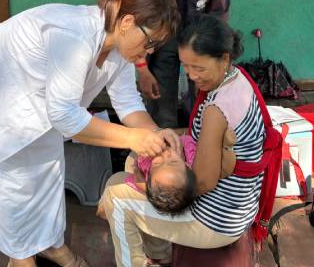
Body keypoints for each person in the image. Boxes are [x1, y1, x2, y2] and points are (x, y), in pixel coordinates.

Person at [0, 0, 182, 267]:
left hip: (39, 97)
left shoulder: (122, 49)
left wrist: (155, 133)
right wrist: (132, 139)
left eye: (154, 47)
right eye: (149, 42)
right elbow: (63, 115)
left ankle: (50, 245)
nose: (147, 53)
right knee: (12, 181)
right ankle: (21, 256)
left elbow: (127, 102)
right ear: (126, 22)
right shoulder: (74, 35)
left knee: (47, 172)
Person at [99, 15, 283, 267]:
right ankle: (161, 254)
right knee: (136, 158)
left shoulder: (217, 111)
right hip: (238, 203)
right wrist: (163, 150)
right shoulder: (237, 77)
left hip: (215, 220)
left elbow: (203, 182)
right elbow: (202, 142)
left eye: (199, 68)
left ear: (224, 58)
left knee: (115, 194)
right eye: (186, 66)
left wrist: (151, 188)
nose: (192, 75)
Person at [120, 0, 230, 128]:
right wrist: (142, 70)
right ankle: (165, 142)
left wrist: (215, 60)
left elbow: (218, 10)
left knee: (203, 90)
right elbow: (133, 26)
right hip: (157, 35)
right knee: (159, 94)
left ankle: (200, 137)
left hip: (199, 26)